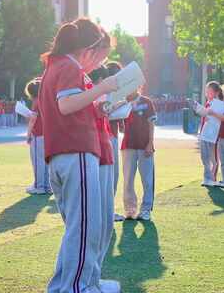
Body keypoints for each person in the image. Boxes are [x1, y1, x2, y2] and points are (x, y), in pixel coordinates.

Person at [38, 18, 120, 293]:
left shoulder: (57, 65)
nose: (96, 61)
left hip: (64, 153)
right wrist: (102, 88)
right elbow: (66, 105)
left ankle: (70, 284)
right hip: (75, 151)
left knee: (79, 227)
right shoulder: (68, 66)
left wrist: (97, 102)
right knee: (85, 226)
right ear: (87, 49)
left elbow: (69, 105)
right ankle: (77, 286)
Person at [121, 87, 158, 221]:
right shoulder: (123, 101)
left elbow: (151, 124)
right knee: (128, 180)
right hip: (128, 146)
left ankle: (146, 210)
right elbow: (120, 126)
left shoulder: (146, 102)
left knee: (147, 180)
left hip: (144, 146)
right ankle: (130, 210)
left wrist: (150, 143)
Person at [105, 62, 125, 222]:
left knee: (113, 175)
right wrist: (123, 103)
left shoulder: (114, 92)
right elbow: (105, 110)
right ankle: (107, 212)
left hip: (112, 135)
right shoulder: (105, 91)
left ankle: (107, 211)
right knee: (111, 175)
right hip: (106, 137)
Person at [24, 78, 52, 195]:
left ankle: (39, 186)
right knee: (46, 161)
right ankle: (47, 185)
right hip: (48, 134)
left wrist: (28, 134)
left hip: (38, 134)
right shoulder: (47, 99)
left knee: (38, 161)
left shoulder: (36, 101)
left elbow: (33, 120)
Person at [196, 82, 224, 187]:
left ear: (216, 92)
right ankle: (210, 178)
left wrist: (212, 114)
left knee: (216, 159)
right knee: (207, 158)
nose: (207, 94)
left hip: (216, 135)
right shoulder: (209, 103)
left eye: (209, 92)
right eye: (206, 92)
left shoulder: (221, 104)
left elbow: (221, 118)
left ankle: (213, 178)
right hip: (209, 133)